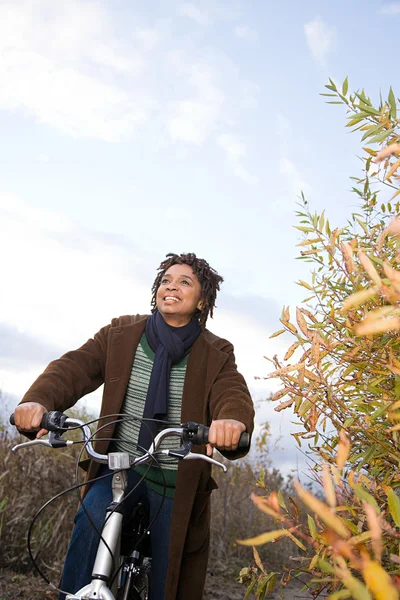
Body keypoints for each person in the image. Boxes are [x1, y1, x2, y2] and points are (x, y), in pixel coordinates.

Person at [14, 252, 254, 600]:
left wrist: (231, 420)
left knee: (170, 576)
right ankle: (71, 595)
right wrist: (38, 401)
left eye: (184, 282)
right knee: (91, 519)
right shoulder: (121, 333)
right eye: (166, 280)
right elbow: (74, 368)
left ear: (202, 299)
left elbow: (230, 390)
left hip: (174, 477)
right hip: (118, 469)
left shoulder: (215, 352)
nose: (171, 286)